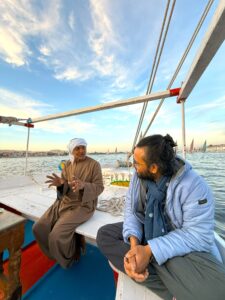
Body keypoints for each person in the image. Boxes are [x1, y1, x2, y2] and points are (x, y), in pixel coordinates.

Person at [97, 134, 225, 300]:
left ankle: (150, 270)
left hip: (180, 243)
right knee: (104, 235)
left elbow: (198, 236)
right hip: (147, 232)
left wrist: (150, 250)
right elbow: (131, 209)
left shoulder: (195, 186)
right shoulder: (139, 177)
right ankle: (174, 289)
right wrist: (135, 247)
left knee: (219, 291)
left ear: (154, 168)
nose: (132, 165)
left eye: (137, 162)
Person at [33, 138, 104, 268]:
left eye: (83, 147)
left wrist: (83, 186)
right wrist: (61, 184)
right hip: (64, 202)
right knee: (39, 227)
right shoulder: (67, 165)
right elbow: (64, 187)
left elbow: (99, 187)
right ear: (72, 150)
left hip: (83, 205)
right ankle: (54, 254)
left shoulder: (94, 165)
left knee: (56, 235)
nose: (82, 150)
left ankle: (68, 258)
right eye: (78, 148)